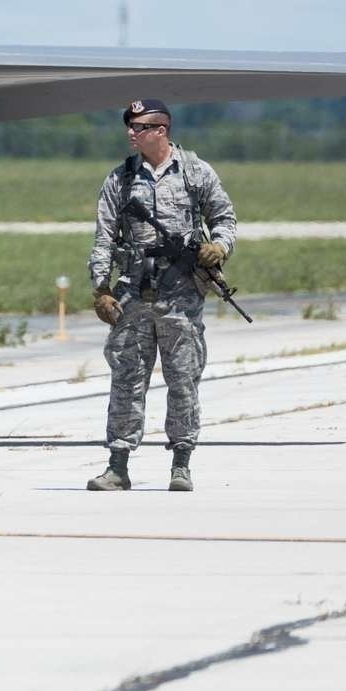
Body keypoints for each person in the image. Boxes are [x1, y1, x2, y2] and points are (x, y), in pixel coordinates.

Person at [86, 99, 236, 492]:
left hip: (182, 296)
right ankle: (118, 466)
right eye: (129, 126)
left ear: (161, 131)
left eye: (139, 127)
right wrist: (101, 288)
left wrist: (219, 247)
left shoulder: (195, 173)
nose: (131, 133)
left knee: (183, 378)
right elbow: (104, 238)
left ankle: (181, 464)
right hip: (134, 294)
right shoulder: (121, 178)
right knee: (126, 380)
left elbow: (224, 218)